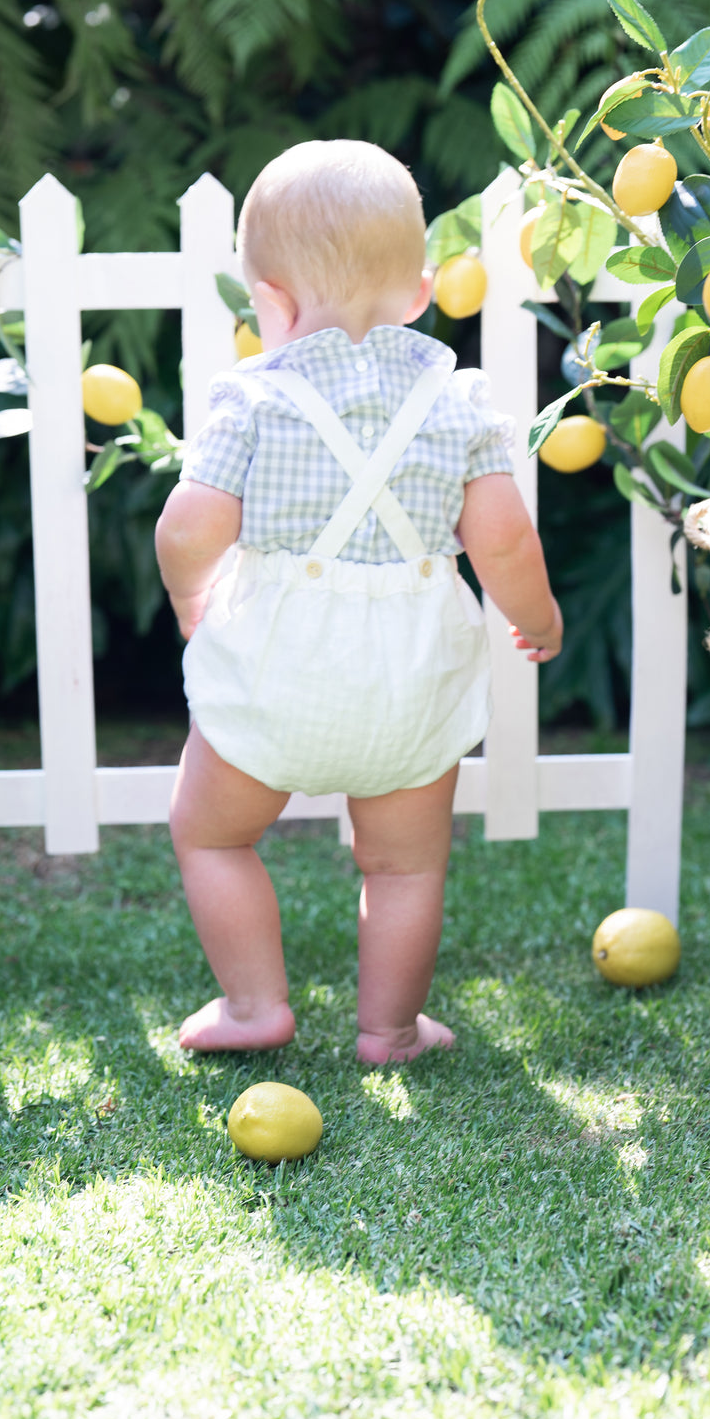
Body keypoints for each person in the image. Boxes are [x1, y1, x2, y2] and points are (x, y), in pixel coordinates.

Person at [155, 140, 562, 1065]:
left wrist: (192, 598)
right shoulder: (460, 404)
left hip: (277, 665)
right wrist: (537, 621)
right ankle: (388, 1028)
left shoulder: (251, 400)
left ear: (274, 304)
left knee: (210, 836)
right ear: (419, 293)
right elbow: (503, 539)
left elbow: (187, 532)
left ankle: (255, 1003)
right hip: (410, 677)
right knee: (405, 864)